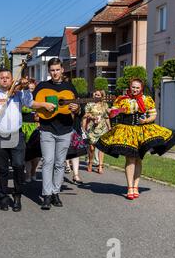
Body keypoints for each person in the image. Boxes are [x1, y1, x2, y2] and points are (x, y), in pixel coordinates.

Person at [96, 78, 175, 200]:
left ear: (141, 88)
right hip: (126, 131)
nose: (135, 89)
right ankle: (129, 187)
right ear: (130, 87)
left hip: (142, 131)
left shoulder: (146, 99)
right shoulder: (122, 99)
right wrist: (111, 111)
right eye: (133, 87)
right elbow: (113, 112)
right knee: (130, 159)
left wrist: (146, 120)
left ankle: (135, 186)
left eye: (137, 88)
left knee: (139, 159)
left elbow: (153, 114)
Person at [0, 69, 41, 212]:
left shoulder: (18, 93)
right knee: (2, 168)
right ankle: (4, 197)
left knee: (18, 166)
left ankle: (17, 196)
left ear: (12, 79)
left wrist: (24, 88)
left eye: (7, 77)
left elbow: (29, 103)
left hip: (16, 135)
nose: (5, 80)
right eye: (2, 78)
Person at [32, 58, 80, 210]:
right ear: (49, 71)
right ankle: (46, 195)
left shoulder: (69, 87)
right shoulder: (42, 87)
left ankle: (55, 192)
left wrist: (76, 109)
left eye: (57, 69)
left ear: (62, 70)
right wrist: (43, 104)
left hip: (65, 129)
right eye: (52, 70)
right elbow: (31, 102)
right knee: (48, 161)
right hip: (47, 129)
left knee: (60, 163)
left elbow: (79, 109)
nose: (55, 73)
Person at [82, 89, 111, 174]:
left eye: (98, 95)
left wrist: (109, 127)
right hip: (91, 128)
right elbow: (85, 115)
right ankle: (90, 162)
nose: (96, 96)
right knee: (91, 148)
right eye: (95, 94)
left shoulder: (104, 105)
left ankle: (100, 166)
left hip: (102, 129)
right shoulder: (89, 104)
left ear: (102, 96)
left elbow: (106, 117)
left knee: (101, 148)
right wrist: (91, 117)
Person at [22, 78, 41, 182]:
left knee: (37, 154)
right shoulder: (22, 97)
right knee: (27, 153)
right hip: (23, 127)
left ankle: (33, 170)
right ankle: (28, 174)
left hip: (35, 127)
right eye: (29, 89)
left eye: (32, 89)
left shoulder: (38, 99)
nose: (30, 91)